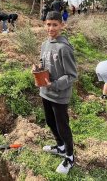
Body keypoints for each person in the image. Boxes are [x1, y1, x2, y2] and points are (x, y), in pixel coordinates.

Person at [34, 11, 77, 175]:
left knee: (63, 126)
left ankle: (70, 157)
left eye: (54, 24)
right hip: (45, 92)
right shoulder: (45, 44)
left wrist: (54, 84)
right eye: (48, 24)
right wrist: (38, 68)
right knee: (50, 122)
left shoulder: (64, 48)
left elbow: (72, 75)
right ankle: (60, 147)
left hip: (59, 95)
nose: (51, 28)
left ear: (62, 25)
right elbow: (43, 62)